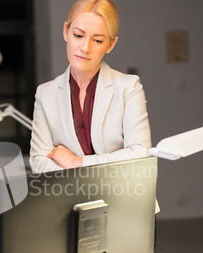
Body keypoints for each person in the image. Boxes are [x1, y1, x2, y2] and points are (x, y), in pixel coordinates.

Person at [30, 0, 151, 173]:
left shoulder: (129, 88)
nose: (85, 48)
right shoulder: (45, 94)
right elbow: (39, 162)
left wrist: (76, 163)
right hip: (72, 198)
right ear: (66, 31)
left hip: (125, 195)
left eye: (97, 40)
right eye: (78, 36)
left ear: (110, 44)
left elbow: (140, 154)